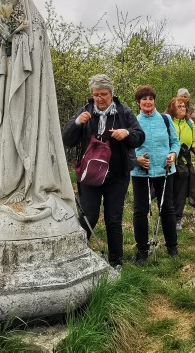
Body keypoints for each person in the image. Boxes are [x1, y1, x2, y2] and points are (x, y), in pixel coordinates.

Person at [0, 0, 77, 227]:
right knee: (2, 130)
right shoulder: (1, 18)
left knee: (25, 130)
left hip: (28, 92)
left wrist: (15, 38)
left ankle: (28, 184)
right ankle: (3, 183)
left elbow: (34, 59)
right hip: (5, 86)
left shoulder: (35, 21)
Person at [62, 75, 144, 268]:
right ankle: (76, 257)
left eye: (104, 94)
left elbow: (139, 137)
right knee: (88, 216)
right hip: (90, 175)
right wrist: (77, 123)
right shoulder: (85, 111)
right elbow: (67, 140)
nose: (99, 98)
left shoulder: (124, 112)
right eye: (96, 94)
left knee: (113, 218)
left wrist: (126, 133)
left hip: (117, 174)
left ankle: (116, 262)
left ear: (111, 94)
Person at [131, 85, 181, 264]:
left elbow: (175, 142)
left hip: (164, 170)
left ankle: (172, 247)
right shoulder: (132, 122)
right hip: (140, 173)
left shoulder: (166, 119)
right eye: (144, 99)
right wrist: (137, 160)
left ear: (154, 101)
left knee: (167, 209)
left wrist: (173, 154)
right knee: (140, 211)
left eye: (150, 99)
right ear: (138, 103)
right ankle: (142, 250)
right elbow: (127, 148)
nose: (148, 102)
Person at [164, 96, 195, 230]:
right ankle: (167, 216)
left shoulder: (190, 123)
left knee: (181, 191)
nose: (183, 108)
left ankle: (177, 218)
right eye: (179, 106)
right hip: (169, 160)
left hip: (184, 161)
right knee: (169, 190)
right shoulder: (166, 121)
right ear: (172, 109)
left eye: (184, 106)